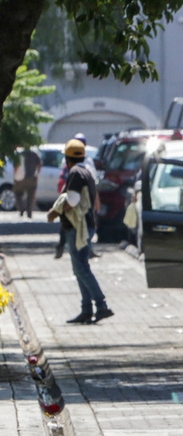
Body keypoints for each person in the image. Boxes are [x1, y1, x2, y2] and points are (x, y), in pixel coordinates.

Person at [47, 139, 114, 324]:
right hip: (86, 225)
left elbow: (73, 200)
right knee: (79, 268)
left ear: (67, 158)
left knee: (82, 268)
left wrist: (56, 211)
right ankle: (86, 309)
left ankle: (101, 305)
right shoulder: (86, 172)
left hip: (79, 227)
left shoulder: (75, 173)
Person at [55, 133, 99, 259]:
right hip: (73, 197)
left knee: (80, 224)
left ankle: (85, 249)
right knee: (69, 224)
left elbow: (92, 182)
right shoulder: (74, 166)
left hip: (80, 199)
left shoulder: (83, 165)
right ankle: (62, 245)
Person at [13, 147, 41, 218]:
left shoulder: (19, 154)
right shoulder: (34, 154)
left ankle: (21, 209)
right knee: (31, 196)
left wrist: (15, 175)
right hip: (32, 177)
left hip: (20, 178)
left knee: (17, 194)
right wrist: (37, 174)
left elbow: (15, 166)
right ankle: (29, 212)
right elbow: (39, 164)